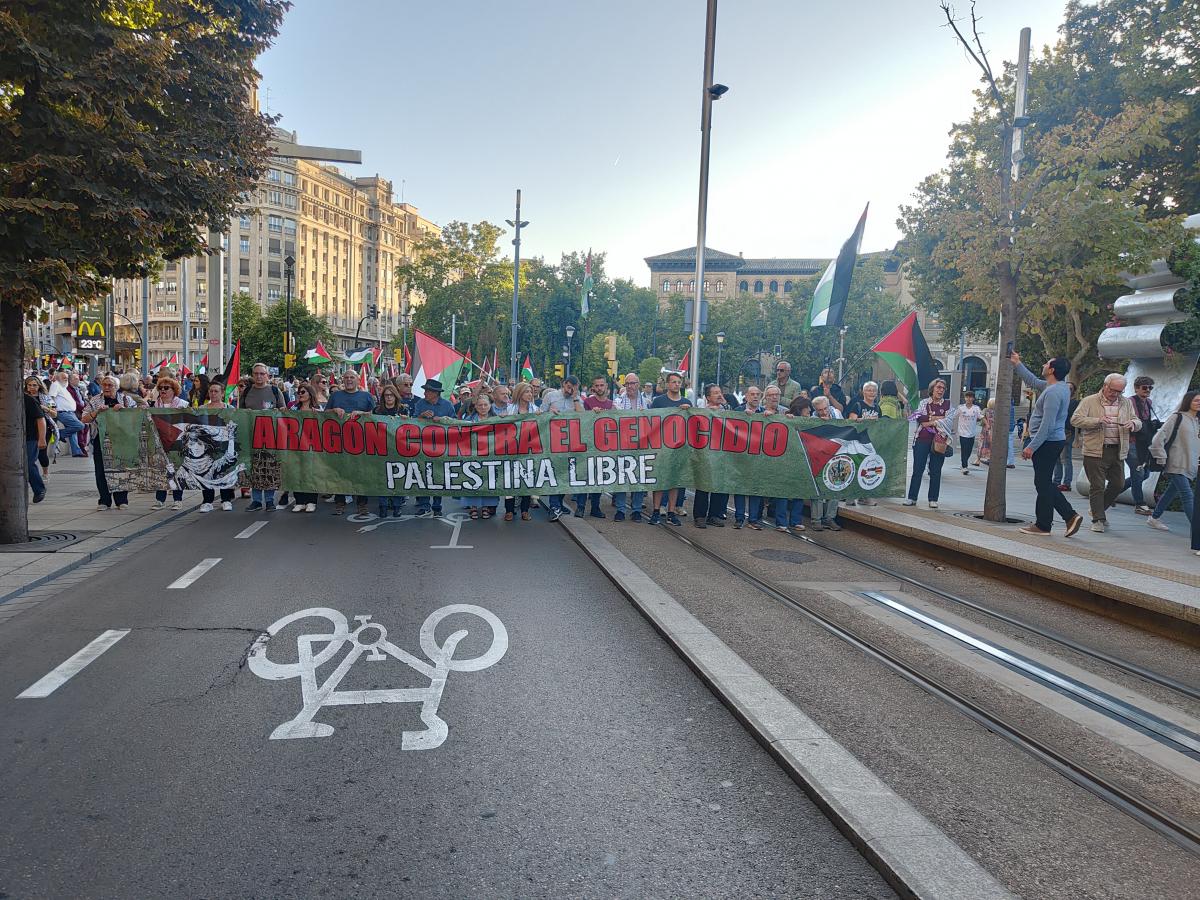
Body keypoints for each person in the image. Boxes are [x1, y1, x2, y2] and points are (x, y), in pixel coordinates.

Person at [1010, 352, 1083, 537]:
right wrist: (1017, 363)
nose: (1043, 364)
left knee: (1043, 484)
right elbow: (1034, 381)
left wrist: (1031, 446)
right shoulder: (1059, 387)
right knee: (1043, 483)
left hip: (1047, 443)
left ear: (1051, 370)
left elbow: (1047, 425)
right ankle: (1062, 519)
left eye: (1046, 363)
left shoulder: (1053, 393)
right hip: (1051, 441)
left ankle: (1050, 523)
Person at [1071, 373, 1141, 533]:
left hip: (1117, 450)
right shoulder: (1089, 401)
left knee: (1118, 484)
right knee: (1097, 486)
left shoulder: (1126, 403)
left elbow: (1138, 421)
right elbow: (1075, 420)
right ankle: (1098, 519)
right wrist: (1097, 421)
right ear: (1105, 386)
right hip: (1095, 450)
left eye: (1119, 391)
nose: (1115, 394)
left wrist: (1133, 424)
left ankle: (1098, 509)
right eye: (1113, 390)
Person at [80, 375, 139, 510]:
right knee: (100, 470)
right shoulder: (95, 400)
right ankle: (104, 501)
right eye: (104, 385)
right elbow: (84, 419)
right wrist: (97, 412)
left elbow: (136, 416)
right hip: (100, 439)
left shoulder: (126, 399)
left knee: (121, 469)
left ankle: (122, 500)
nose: (107, 387)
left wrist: (124, 410)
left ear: (117, 387)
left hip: (121, 440)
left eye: (110, 385)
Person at [324, 370, 376, 516]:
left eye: (352, 377)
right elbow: (324, 414)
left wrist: (361, 413)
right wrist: (334, 409)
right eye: (346, 377)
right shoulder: (336, 396)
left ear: (358, 380)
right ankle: (340, 502)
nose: (348, 380)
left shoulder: (366, 396)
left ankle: (362, 504)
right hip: (339, 440)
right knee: (340, 471)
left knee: (361, 472)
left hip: (360, 440)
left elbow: (376, 415)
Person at [1146, 391, 1199, 533]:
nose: (1199, 403)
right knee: (1188, 496)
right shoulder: (1177, 417)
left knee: (1171, 491)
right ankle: (1197, 532)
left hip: (1189, 465)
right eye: (1196, 400)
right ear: (1188, 402)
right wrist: (1161, 457)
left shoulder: (1197, 421)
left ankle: (1154, 518)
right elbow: (1158, 438)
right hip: (1175, 463)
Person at [238, 362, 287, 512]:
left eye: (262, 374)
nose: (259, 376)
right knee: (255, 468)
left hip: (270, 435)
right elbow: (240, 412)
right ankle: (257, 500)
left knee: (270, 467)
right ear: (253, 375)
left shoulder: (274, 390)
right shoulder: (246, 392)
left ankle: (270, 500)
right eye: (256, 374)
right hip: (251, 436)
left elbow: (283, 410)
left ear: (267, 375)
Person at [647, 372, 691, 526]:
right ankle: (656, 511)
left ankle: (672, 512)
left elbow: (691, 425)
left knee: (674, 482)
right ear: (667, 384)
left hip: (679, 449)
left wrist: (687, 411)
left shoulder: (687, 403)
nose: (676, 384)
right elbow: (650, 422)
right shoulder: (658, 401)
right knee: (659, 480)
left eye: (679, 382)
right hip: (661, 448)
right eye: (673, 382)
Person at [904, 378, 953, 509]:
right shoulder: (924, 402)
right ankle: (912, 497)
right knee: (918, 469)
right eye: (938, 387)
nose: (941, 390)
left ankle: (933, 498)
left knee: (936, 470)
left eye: (943, 388)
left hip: (939, 440)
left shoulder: (948, 404)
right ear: (932, 389)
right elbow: (919, 418)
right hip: (922, 439)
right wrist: (938, 419)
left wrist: (930, 420)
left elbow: (949, 421)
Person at [542, 376, 585, 521]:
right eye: (568, 386)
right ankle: (554, 507)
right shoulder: (551, 396)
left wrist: (575, 398)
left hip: (571, 443)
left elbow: (582, 417)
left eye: (573, 387)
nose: (570, 389)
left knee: (564, 476)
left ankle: (558, 504)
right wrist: (549, 413)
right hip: (553, 442)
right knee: (556, 474)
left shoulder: (578, 399)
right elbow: (540, 415)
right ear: (563, 384)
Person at [413, 379, 457, 517]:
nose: (425, 392)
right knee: (424, 475)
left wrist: (443, 419)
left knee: (438, 475)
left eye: (428, 390)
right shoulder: (420, 404)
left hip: (441, 445)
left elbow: (455, 422)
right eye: (425, 390)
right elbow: (412, 421)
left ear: (435, 393)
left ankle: (437, 506)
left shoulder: (447, 405)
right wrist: (421, 416)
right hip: (424, 445)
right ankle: (424, 505)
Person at [572, 375, 614, 518]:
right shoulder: (588, 402)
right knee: (585, 476)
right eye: (596, 385)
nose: (599, 388)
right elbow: (581, 418)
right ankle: (580, 507)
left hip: (603, 447)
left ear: (606, 387)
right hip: (588, 445)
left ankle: (595, 507)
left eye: (601, 385)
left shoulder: (611, 404)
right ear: (592, 387)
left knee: (598, 478)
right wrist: (591, 413)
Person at [611, 373, 648, 521]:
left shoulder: (646, 402)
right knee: (622, 476)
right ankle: (620, 509)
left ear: (638, 384)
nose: (630, 386)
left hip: (641, 445)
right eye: (627, 384)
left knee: (638, 477)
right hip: (622, 444)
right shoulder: (618, 400)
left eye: (633, 383)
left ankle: (637, 509)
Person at [692, 384, 730, 528]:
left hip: (722, 453)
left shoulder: (727, 410)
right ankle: (700, 516)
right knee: (703, 484)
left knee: (718, 484)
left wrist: (724, 407)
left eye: (720, 392)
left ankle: (714, 515)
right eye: (715, 393)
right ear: (708, 397)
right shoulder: (701, 412)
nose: (719, 395)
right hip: (706, 453)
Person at [198, 380, 237, 512]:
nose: (213, 393)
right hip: (207, 447)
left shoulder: (230, 409)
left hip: (224, 446)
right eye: (211, 391)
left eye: (216, 391)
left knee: (224, 472)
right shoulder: (202, 409)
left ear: (222, 393)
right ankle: (207, 501)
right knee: (206, 473)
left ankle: (226, 500)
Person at [461, 393, 501, 519]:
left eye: (485, 404)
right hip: (473, 455)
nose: (483, 407)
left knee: (489, 480)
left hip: (491, 455)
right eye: (480, 405)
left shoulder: (498, 419)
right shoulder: (468, 420)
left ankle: (486, 506)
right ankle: (473, 506)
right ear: (476, 406)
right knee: (472, 479)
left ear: (490, 406)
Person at [151, 376, 188, 510]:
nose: (163, 390)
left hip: (177, 442)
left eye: (166, 388)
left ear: (174, 390)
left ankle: (177, 500)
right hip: (160, 441)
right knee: (161, 470)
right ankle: (160, 499)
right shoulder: (155, 404)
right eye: (160, 388)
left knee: (177, 471)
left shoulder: (183, 404)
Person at [373, 384, 408, 518]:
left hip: (398, 449)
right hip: (382, 448)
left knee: (397, 478)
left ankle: (397, 506)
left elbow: (409, 428)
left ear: (395, 396)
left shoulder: (403, 410)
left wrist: (406, 420)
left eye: (391, 395)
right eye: (386, 395)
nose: (389, 398)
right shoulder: (377, 411)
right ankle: (382, 506)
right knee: (383, 478)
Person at [1123, 375, 1157, 515]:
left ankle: (1111, 492)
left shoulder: (1149, 402)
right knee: (1138, 472)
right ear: (1136, 388)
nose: (1148, 390)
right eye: (1145, 387)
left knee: (1146, 474)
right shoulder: (1129, 401)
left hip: (1143, 444)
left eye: (1150, 387)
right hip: (1131, 442)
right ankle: (1139, 503)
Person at [734, 386, 766, 529]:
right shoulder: (737, 412)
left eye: (757, 394)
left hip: (758, 458)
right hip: (740, 457)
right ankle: (739, 518)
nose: (755, 397)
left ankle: (753, 519)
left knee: (755, 488)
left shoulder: (766, 414)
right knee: (740, 488)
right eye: (752, 394)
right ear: (746, 396)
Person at [287, 383, 321, 514]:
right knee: (297, 473)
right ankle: (299, 501)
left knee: (310, 473)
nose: (300, 394)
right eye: (298, 392)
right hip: (295, 446)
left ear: (309, 394)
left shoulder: (317, 409)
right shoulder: (294, 409)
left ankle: (311, 501)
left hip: (311, 446)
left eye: (303, 392)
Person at [48, 371, 85, 457]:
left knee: (73, 432)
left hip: (69, 412)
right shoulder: (56, 384)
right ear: (57, 378)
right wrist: (52, 410)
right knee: (79, 426)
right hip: (62, 412)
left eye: (67, 377)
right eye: (63, 377)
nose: (66, 379)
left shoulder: (63, 386)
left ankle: (76, 451)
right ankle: (60, 434)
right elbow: (51, 397)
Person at [23, 376, 48, 503]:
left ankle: (39, 489)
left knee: (28, 463)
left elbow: (41, 419)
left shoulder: (29, 400)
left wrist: (42, 439)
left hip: (31, 437)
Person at [1053, 382, 1080, 491]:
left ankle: (1067, 483)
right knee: (1056, 458)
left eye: (1070, 388)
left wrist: (1077, 437)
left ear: (1073, 391)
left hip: (1068, 432)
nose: (1067, 390)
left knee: (1065, 458)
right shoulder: (1059, 401)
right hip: (1056, 431)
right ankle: (1056, 481)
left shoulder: (1075, 403)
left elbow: (1077, 420)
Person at [953, 391, 983, 475]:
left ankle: (964, 462)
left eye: (970, 397)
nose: (968, 399)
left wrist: (987, 424)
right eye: (967, 397)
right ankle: (964, 466)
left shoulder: (976, 408)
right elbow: (954, 416)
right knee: (964, 449)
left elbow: (981, 417)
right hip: (962, 433)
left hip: (972, 433)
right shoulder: (961, 408)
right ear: (965, 398)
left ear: (973, 398)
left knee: (969, 450)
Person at [977, 398, 994, 465]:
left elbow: (981, 417)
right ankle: (989, 458)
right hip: (993, 430)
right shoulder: (997, 411)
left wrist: (986, 424)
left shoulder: (985, 410)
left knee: (981, 444)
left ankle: (978, 459)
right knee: (991, 444)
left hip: (985, 429)